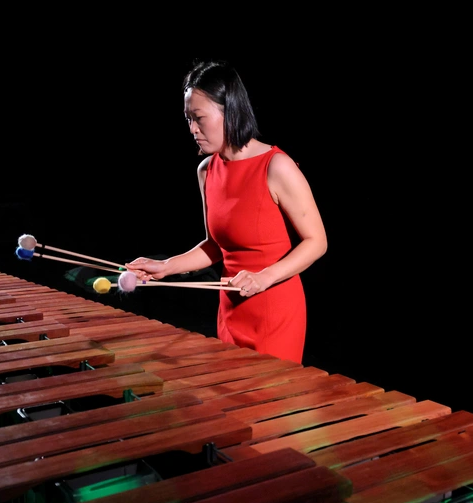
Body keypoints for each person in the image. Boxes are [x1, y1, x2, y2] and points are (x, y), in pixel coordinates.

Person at [125, 59, 327, 364]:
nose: (192, 129)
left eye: (199, 118)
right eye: (188, 119)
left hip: (274, 311)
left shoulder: (276, 166)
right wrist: (165, 266)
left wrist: (264, 277)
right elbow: (215, 247)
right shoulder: (206, 170)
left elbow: (317, 241)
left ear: (229, 110)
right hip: (230, 309)